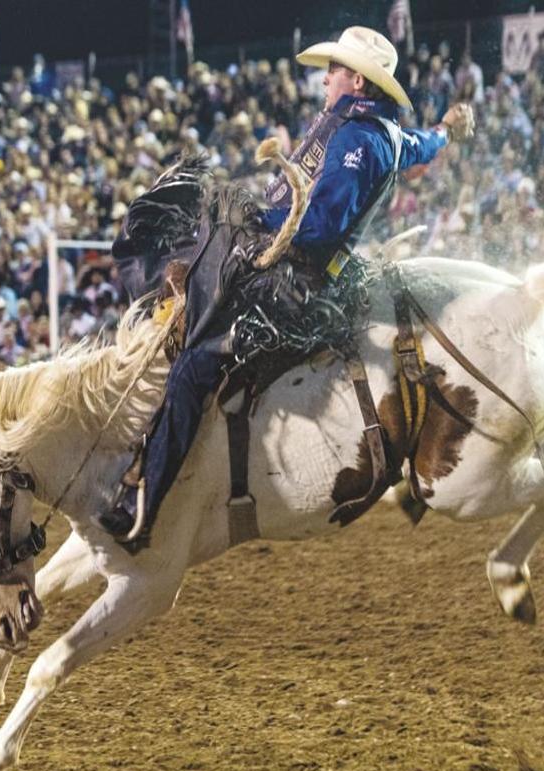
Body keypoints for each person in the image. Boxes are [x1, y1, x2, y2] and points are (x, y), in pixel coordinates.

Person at [97, 26, 475, 541]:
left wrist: (257, 223)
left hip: (297, 281)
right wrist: (447, 129)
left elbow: (319, 228)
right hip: (297, 269)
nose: (326, 79)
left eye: (336, 70)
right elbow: (421, 145)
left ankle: (145, 503)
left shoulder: (356, 141)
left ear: (358, 83)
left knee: (194, 364)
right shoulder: (381, 131)